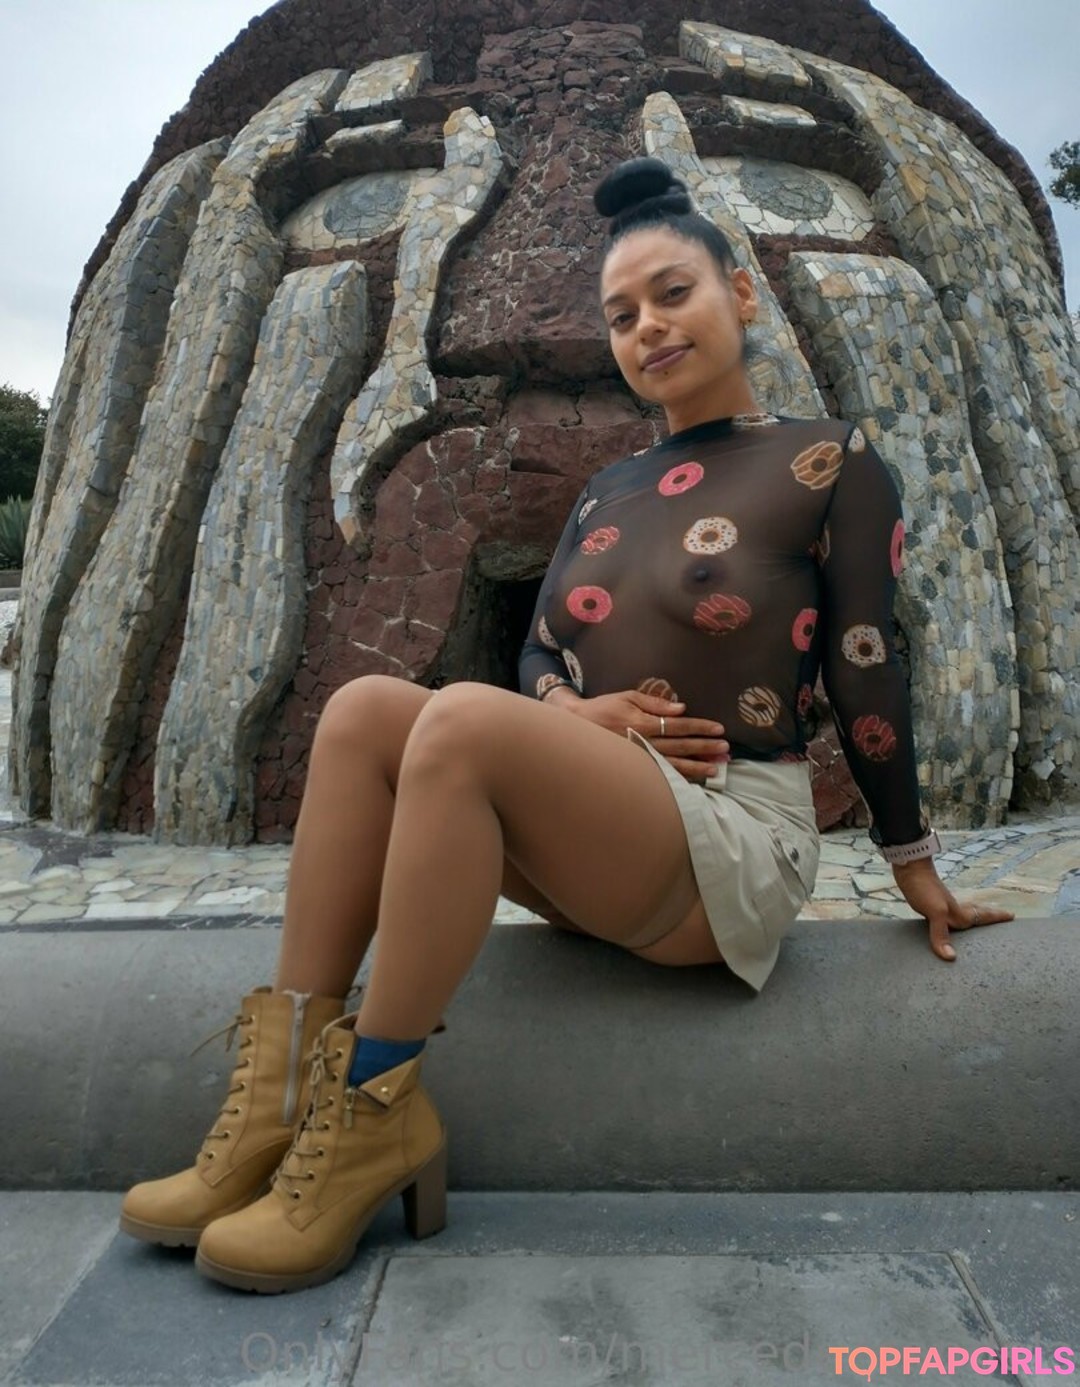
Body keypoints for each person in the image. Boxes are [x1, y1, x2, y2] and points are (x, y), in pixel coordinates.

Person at [118, 156, 1013, 1293]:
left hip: (732, 838)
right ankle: (275, 1105)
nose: (649, 328)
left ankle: (374, 1114)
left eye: (674, 294)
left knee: (456, 723)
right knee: (361, 712)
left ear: (741, 293)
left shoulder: (829, 460)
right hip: (611, 824)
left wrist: (913, 860)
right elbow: (540, 654)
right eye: (623, 315)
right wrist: (579, 714)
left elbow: (867, 663)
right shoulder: (609, 489)